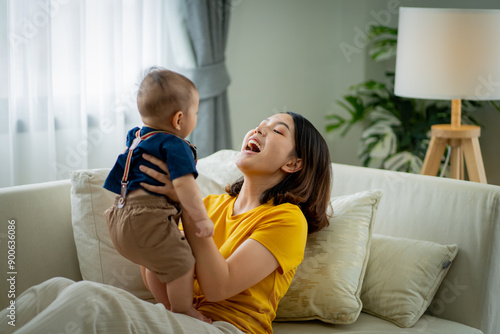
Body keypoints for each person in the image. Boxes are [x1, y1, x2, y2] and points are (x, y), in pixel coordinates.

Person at [0, 112, 332, 334]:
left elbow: (218, 287)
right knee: (56, 288)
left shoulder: (287, 220)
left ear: (294, 163)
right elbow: (165, 285)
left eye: (277, 130)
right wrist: (145, 228)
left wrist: (188, 209)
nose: (259, 129)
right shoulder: (212, 205)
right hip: (184, 319)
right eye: (261, 123)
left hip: (228, 329)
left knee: (90, 299)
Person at [102, 67, 213, 322]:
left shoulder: (137, 136)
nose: (196, 117)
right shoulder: (174, 146)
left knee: (158, 264)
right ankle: (183, 308)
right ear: (178, 120)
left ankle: (168, 306)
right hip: (147, 219)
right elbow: (186, 187)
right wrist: (202, 218)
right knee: (183, 262)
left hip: (118, 218)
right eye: (195, 113)